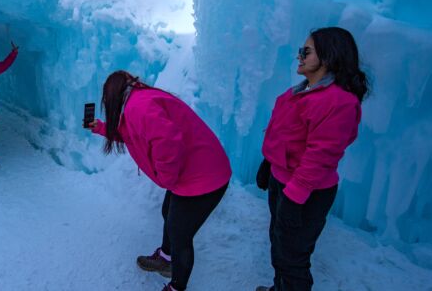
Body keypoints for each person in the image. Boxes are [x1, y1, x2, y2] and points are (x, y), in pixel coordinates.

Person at [87, 71, 232, 291]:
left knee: (180, 234)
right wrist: (100, 127)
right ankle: (165, 257)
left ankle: (176, 286)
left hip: (205, 177)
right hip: (192, 172)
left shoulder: (140, 106)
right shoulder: (136, 101)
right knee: (168, 212)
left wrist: (166, 179)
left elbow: (169, 143)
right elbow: (131, 133)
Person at [255, 27, 369, 291]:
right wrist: (269, 162)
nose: (299, 56)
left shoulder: (338, 102)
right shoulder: (303, 90)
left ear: (328, 57)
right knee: (279, 245)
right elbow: (284, 134)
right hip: (283, 180)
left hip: (306, 192)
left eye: (306, 51)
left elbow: (320, 157)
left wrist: (294, 199)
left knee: (293, 258)